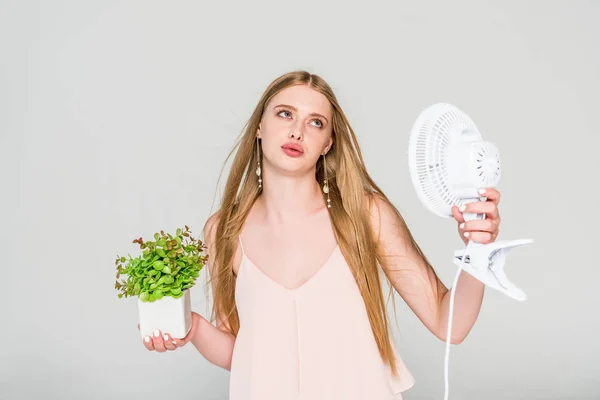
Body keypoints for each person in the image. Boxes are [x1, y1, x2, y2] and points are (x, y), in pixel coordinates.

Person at [140, 71, 502, 399]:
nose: (298, 131)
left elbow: (448, 323)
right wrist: (193, 329)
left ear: (328, 143)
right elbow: (244, 353)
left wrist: (478, 251)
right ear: (259, 127)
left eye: (315, 123)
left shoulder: (365, 215)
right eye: (285, 114)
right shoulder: (223, 230)